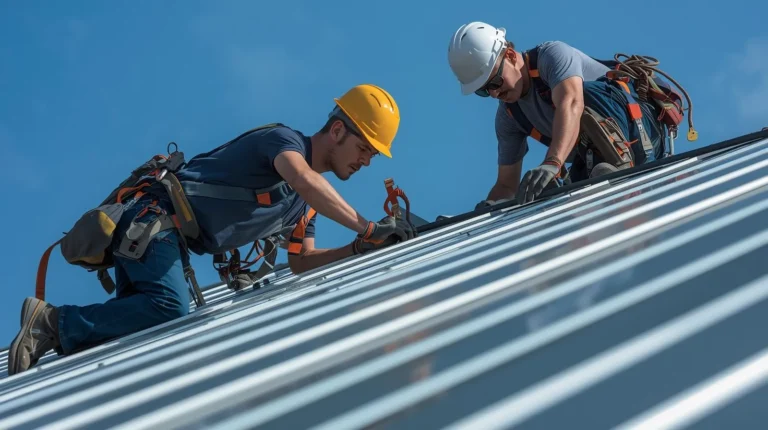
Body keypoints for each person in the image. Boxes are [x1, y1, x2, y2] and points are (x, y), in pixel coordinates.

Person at [8, 83, 416, 376]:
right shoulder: (283, 143)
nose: (366, 162)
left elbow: (300, 261)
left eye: (373, 155)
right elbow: (305, 181)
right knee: (168, 308)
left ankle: (50, 333)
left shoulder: (302, 208)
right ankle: (52, 323)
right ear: (338, 130)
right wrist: (367, 228)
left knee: (137, 333)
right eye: (365, 148)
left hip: (160, 239)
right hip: (154, 220)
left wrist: (357, 249)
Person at [447, 22, 676, 207]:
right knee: (546, 190)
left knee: (582, 93)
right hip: (593, 164)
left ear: (509, 55)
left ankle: (617, 162)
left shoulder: (552, 56)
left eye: (496, 81)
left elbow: (572, 103)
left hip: (641, 133)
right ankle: (593, 173)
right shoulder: (509, 116)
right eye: (484, 91)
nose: (496, 92)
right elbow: (506, 185)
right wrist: (489, 207)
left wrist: (553, 163)